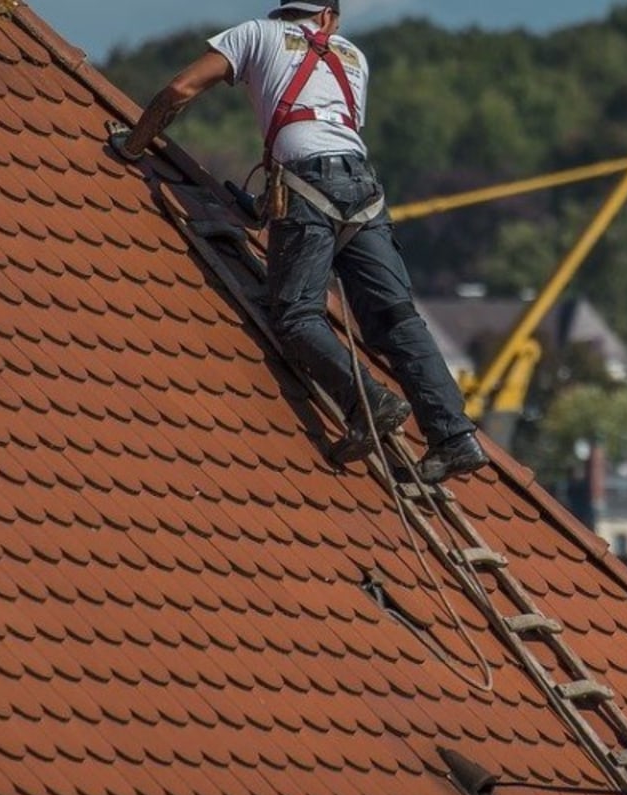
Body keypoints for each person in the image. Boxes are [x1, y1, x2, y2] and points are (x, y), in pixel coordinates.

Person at [111, 0, 488, 484]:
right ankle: (455, 437)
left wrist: (133, 145)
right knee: (395, 316)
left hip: (307, 181)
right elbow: (331, 131)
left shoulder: (255, 34)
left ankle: (368, 402)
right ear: (328, 17)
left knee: (295, 314)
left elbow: (181, 88)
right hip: (364, 189)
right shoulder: (353, 56)